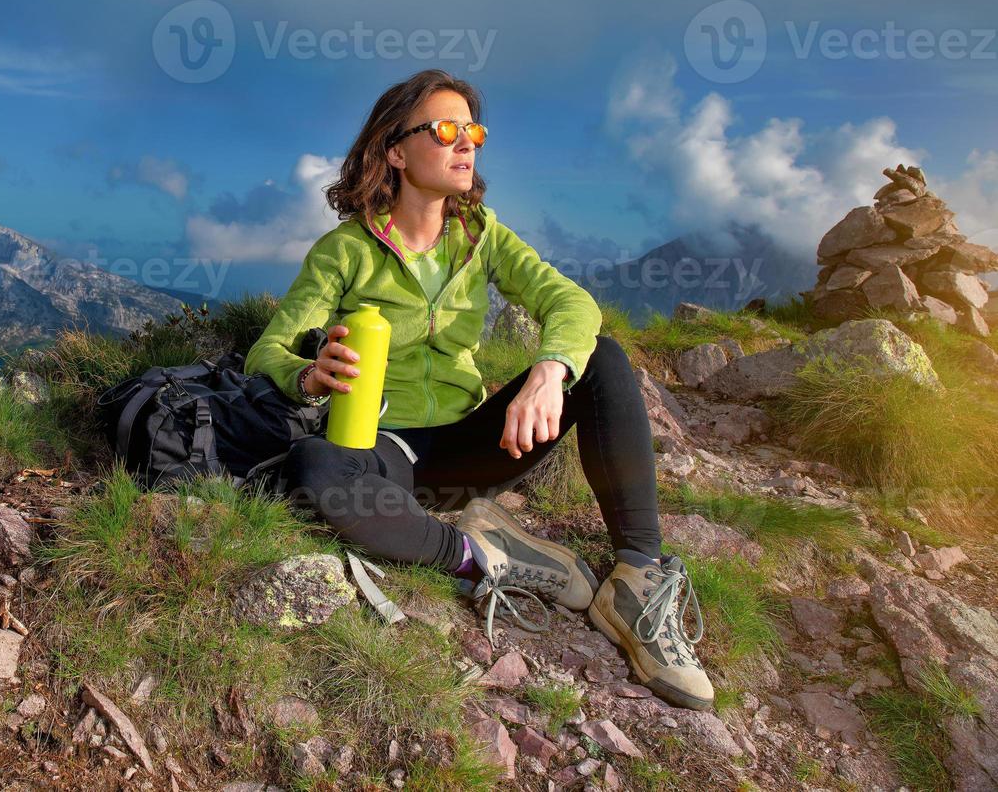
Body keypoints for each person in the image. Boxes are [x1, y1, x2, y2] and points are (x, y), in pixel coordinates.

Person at [243, 69, 712, 711]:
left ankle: (636, 580)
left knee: (599, 359)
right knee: (315, 469)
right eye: (445, 130)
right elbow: (266, 350)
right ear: (396, 151)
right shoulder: (342, 252)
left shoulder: (482, 234)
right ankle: (478, 556)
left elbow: (570, 303)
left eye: (474, 131)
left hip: (476, 443)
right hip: (388, 451)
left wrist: (550, 371)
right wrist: (306, 373)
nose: (467, 143)